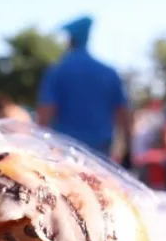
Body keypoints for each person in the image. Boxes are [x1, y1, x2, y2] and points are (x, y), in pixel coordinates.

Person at [37, 15, 132, 161]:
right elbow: (123, 113)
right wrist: (128, 146)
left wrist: (40, 146)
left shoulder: (58, 71)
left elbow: (46, 112)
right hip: (101, 150)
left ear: (70, 40)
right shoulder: (108, 72)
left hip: (65, 150)